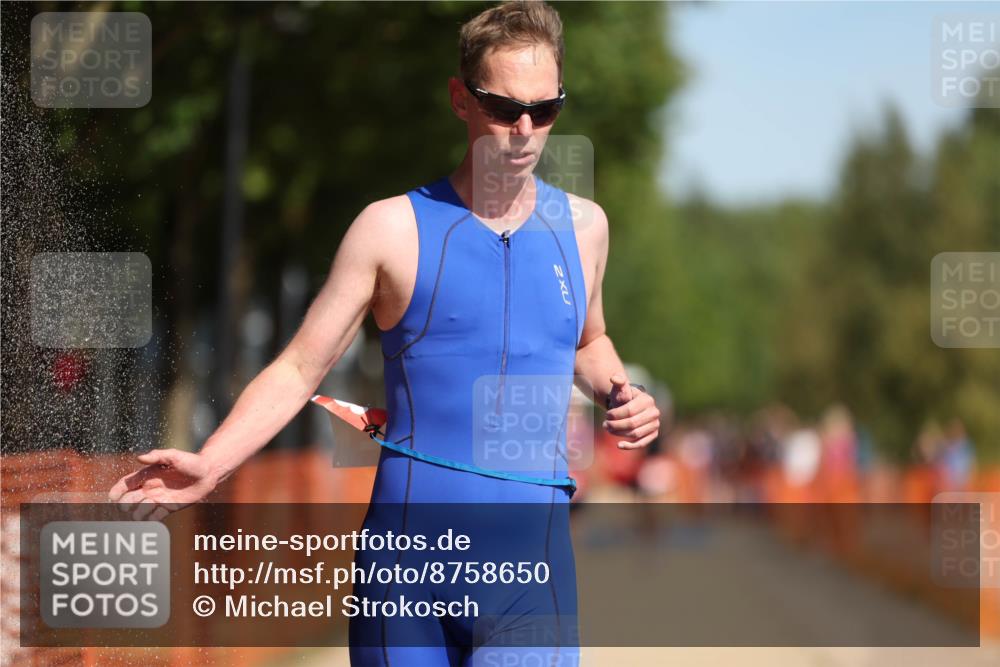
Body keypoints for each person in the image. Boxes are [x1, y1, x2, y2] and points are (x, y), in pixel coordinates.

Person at [109, 1, 660, 664]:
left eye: (544, 111)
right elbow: (299, 366)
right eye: (502, 107)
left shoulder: (585, 228)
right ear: (459, 98)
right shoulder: (390, 229)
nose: (523, 130)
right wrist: (212, 462)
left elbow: (587, 340)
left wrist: (620, 393)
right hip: (405, 576)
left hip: (528, 571)